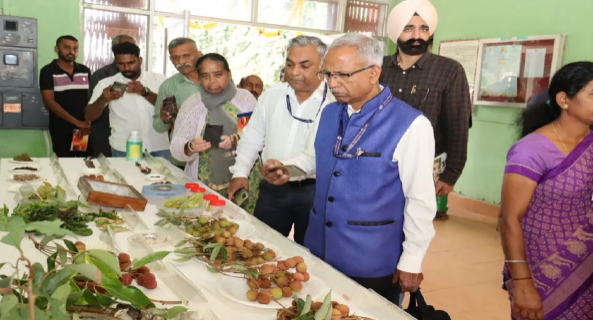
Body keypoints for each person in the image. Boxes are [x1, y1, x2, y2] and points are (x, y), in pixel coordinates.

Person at [262, 33, 436, 298]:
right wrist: (290, 170)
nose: (333, 83)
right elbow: (313, 159)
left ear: (373, 72)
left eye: (343, 75)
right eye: (328, 74)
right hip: (319, 247)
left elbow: (420, 199)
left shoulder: (411, 124)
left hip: (371, 258)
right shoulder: (330, 112)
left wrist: (412, 259)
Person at [500, 62, 593, 320]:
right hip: (542, 272)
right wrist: (522, 283)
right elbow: (509, 219)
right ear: (564, 99)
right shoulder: (532, 150)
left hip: (590, 270)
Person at [228, 35, 333, 245]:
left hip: (316, 192)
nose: (294, 72)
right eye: (290, 64)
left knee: (311, 256)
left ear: (323, 66)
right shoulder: (272, 95)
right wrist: (240, 172)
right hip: (272, 189)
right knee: (261, 247)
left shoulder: (335, 100)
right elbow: (252, 136)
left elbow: (326, 151)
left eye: (304, 66)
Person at [382, 0, 471, 220]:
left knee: (414, 229)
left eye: (424, 29)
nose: (417, 36)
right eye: (408, 28)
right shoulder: (378, 68)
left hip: (423, 169)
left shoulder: (449, 70)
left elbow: (458, 125)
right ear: (395, 32)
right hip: (380, 166)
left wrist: (451, 174)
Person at [170, 54, 260, 212]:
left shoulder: (245, 99)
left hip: (244, 176)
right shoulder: (193, 104)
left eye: (218, 74)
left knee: (241, 227)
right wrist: (190, 146)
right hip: (204, 183)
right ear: (199, 78)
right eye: (205, 76)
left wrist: (235, 139)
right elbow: (176, 146)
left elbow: (253, 133)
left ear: (229, 74)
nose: (212, 81)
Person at [85, 42, 170, 159]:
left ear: (140, 60)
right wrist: (102, 99)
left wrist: (145, 93)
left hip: (159, 146)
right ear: (116, 63)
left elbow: (170, 108)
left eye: (131, 63)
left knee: (164, 178)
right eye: (121, 64)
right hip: (123, 148)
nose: (127, 68)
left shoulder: (159, 80)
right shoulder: (105, 84)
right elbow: (89, 116)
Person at [153, 38, 203, 168]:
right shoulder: (168, 86)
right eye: (175, 58)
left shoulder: (216, 81)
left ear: (199, 54)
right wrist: (165, 120)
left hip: (213, 156)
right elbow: (158, 126)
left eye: (186, 56)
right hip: (183, 158)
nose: (181, 62)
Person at [40, 35, 92, 158]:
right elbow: (49, 101)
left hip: (82, 129)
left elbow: (90, 99)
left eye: (75, 48)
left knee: (81, 162)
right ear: (56, 49)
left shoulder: (84, 70)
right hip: (61, 128)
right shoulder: (48, 71)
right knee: (64, 162)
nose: (71, 52)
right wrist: (76, 122)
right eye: (66, 47)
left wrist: (86, 122)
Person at [88, 34, 136, 158]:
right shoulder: (101, 76)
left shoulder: (141, 75)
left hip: (135, 138)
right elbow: (92, 110)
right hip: (105, 132)